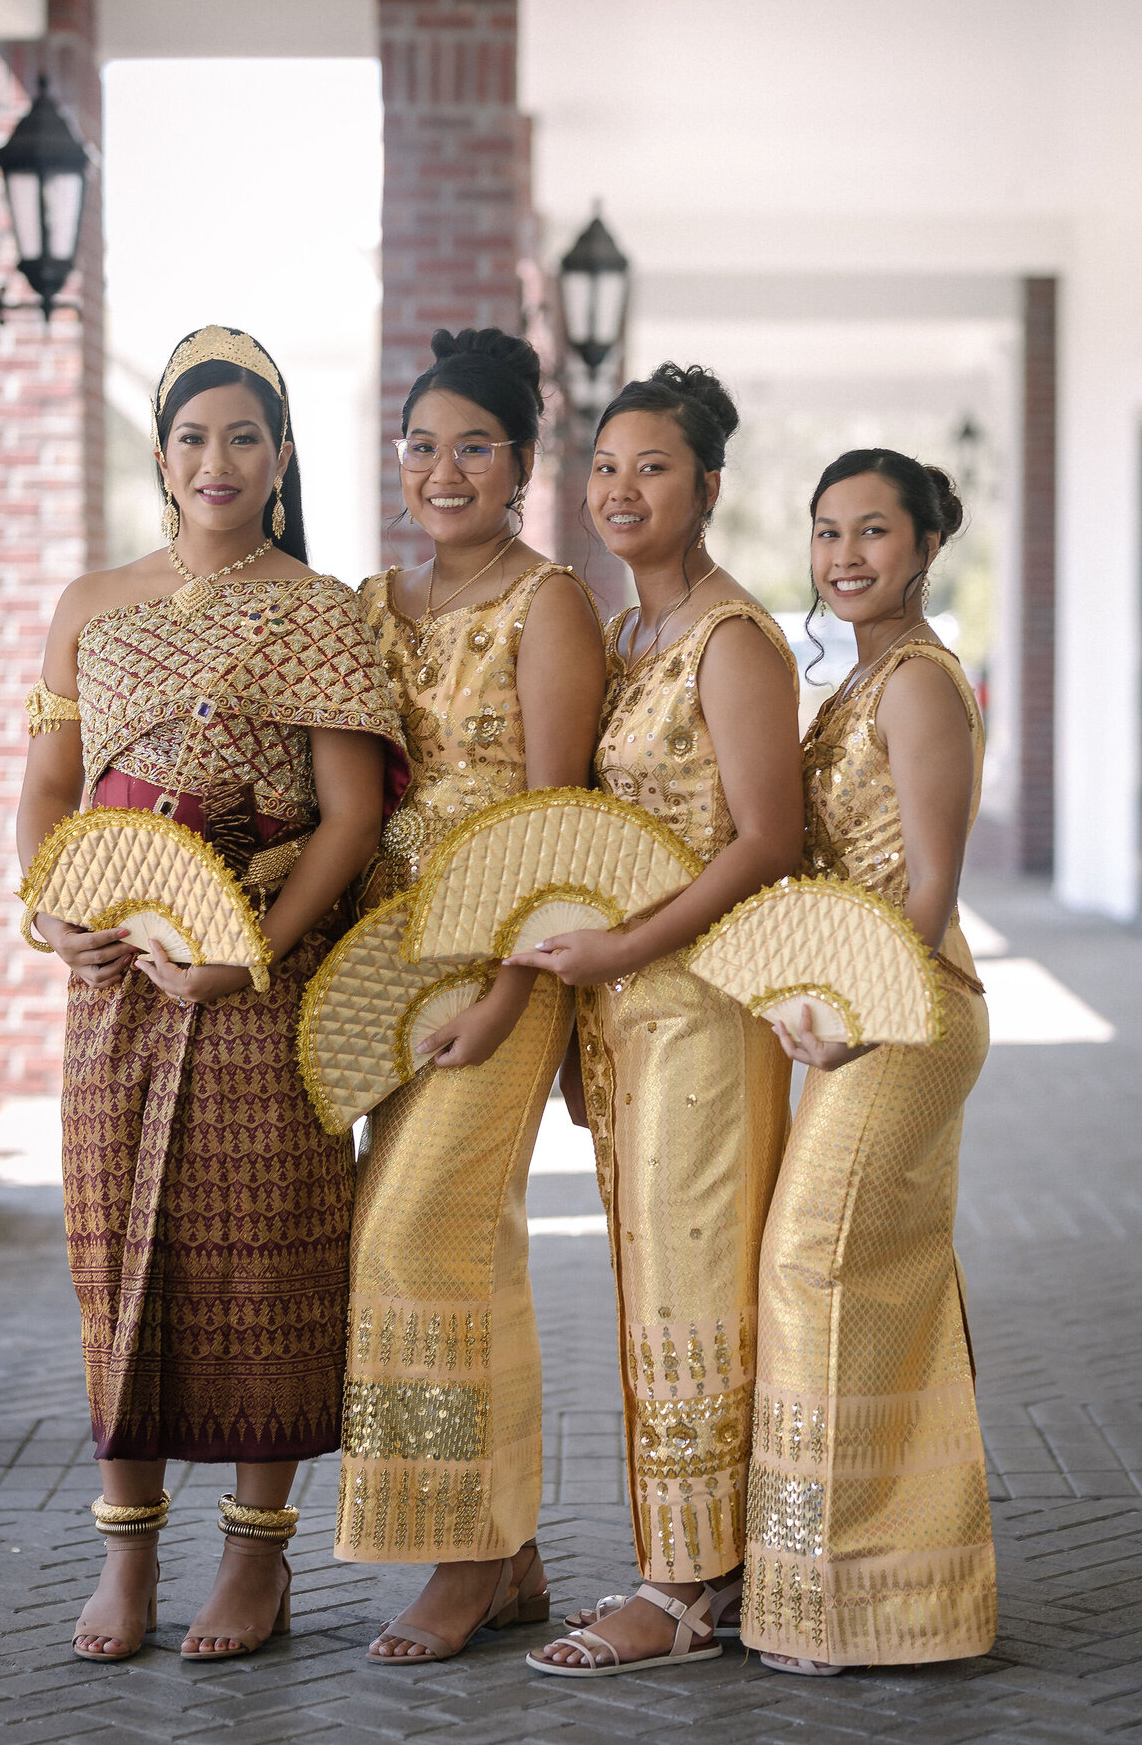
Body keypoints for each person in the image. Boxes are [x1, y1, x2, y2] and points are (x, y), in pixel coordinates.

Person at [16, 325, 407, 1664]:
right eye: (193, 437)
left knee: (265, 1265)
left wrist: (253, 949)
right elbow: (46, 795)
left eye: (245, 436)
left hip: (260, 973)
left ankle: (256, 1563)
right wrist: (51, 908)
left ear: (283, 456)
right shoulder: (90, 604)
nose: (217, 460)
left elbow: (352, 817)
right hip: (117, 974)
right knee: (117, 1256)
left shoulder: (321, 609)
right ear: (162, 456)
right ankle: (125, 1559)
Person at [508, 364, 804, 1678]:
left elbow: (768, 837)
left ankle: (688, 1587)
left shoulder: (730, 638)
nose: (624, 490)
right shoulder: (626, 640)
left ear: (710, 490)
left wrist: (620, 950)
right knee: (646, 1296)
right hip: (624, 1024)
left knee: (695, 1296)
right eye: (609, 467)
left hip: (703, 1011)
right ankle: (700, 1565)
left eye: (656, 469)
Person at [337, 326, 605, 1663]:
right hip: (385, 974)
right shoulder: (376, 604)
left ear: (520, 465)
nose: (446, 469)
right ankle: (512, 1557)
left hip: (509, 966)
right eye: (424, 444)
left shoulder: (547, 602)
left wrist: (506, 997)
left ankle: (472, 1546)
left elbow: (560, 819)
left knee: (419, 1240)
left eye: (476, 447)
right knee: (452, 1246)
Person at [741, 448, 996, 1673]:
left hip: (911, 1017)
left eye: (874, 532)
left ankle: (837, 1598)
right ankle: (886, 1596)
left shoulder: (920, 685)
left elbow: (933, 887)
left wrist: (858, 1015)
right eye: (827, 531)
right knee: (867, 1287)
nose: (845, 554)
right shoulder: (855, 678)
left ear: (928, 546)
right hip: (853, 1013)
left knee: (814, 1267)